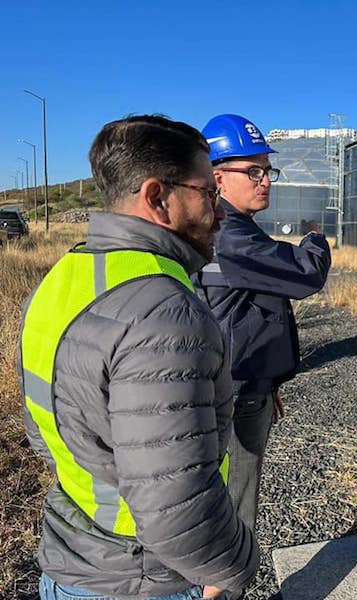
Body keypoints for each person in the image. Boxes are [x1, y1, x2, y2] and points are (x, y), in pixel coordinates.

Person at [20, 115, 258, 600]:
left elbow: (43, 429)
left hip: (73, 563)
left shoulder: (62, 279)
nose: (222, 211)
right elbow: (176, 502)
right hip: (146, 580)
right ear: (157, 197)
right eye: (208, 193)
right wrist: (234, 568)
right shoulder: (164, 310)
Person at [194, 114, 331, 539]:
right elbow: (305, 274)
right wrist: (315, 239)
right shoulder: (230, 235)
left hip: (242, 379)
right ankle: (229, 582)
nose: (265, 180)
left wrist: (269, 383)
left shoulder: (219, 229)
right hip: (236, 388)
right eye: (253, 170)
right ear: (218, 177)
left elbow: (246, 309)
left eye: (267, 170)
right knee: (237, 500)